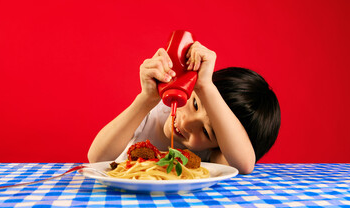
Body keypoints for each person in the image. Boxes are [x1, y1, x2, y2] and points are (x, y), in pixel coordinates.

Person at [87, 41, 280, 174]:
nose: (188, 123)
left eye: (206, 131)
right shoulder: (154, 110)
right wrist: (145, 99)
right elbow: (96, 157)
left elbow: (244, 165)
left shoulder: (213, 155)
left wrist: (206, 88)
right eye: (196, 103)